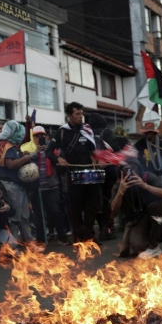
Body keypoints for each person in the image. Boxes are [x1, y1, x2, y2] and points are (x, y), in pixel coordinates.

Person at [47, 102, 102, 242]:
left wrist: (99, 158)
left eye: (81, 114)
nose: (81, 117)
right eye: (77, 114)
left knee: (91, 206)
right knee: (75, 207)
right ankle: (78, 237)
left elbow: (93, 150)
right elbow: (49, 151)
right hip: (73, 173)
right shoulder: (62, 132)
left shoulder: (87, 130)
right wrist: (58, 158)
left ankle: (90, 236)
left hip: (90, 172)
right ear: (69, 116)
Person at [111, 161, 162, 258]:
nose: (129, 173)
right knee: (138, 247)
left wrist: (144, 185)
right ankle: (149, 241)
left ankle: (154, 246)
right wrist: (120, 192)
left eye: (131, 170)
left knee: (157, 207)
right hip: (136, 221)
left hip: (155, 215)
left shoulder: (147, 176)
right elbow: (113, 211)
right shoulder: (119, 185)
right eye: (125, 170)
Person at [0, 120, 33, 243]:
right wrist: (26, 158)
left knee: (24, 216)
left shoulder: (10, 145)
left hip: (18, 184)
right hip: (11, 185)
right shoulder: (6, 145)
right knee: (14, 217)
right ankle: (12, 245)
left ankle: (28, 241)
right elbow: (10, 165)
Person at [29, 126, 68, 245]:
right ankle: (41, 238)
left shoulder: (53, 149)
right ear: (33, 137)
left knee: (56, 211)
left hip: (52, 186)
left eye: (42, 135)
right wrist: (35, 153)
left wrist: (49, 153)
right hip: (37, 187)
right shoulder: (29, 150)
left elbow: (60, 165)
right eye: (36, 136)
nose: (39, 138)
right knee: (38, 214)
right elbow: (26, 166)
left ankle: (61, 237)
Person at [88, 113, 117, 241]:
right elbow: (114, 149)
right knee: (107, 200)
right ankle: (106, 228)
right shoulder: (107, 132)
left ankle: (99, 228)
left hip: (92, 172)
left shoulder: (87, 134)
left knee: (95, 201)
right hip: (108, 171)